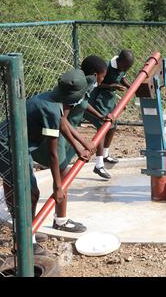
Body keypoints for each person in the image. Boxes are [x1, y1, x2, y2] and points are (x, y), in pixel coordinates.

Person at [0, 68, 91, 254]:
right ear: (75, 97)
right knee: (30, 193)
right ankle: (25, 242)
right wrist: (58, 187)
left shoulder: (51, 99)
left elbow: (61, 122)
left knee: (21, 190)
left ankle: (25, 233)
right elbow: (53, 154)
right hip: (3, 147)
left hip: (13, 144)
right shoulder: (51, 109)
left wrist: (81, 146)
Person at [31, 55, 112, 233]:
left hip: (66, 136)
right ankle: (58, 221)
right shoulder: (73, 88)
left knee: (63, 176)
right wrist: (81, 143)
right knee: (61, 177)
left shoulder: (84, 84)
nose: (103, 80)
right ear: (94, 74)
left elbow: (83, 103)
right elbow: (62, 121)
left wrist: (100, 115)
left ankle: (59, 219)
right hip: (58, 137)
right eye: (103, 76)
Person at [84, 50, 134, 179]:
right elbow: (97, 85)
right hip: (98, 100)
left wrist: (132, 87)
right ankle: (98, 165)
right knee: (103, 128)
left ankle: (105, 155)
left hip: (109, 100)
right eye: (126, 66)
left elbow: (122, 77)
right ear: (120, 61)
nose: (127, 69)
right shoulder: (106, 67)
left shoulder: (122, 66)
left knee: (113, 126)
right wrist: (113, 86)